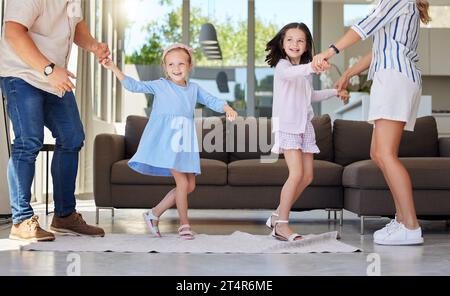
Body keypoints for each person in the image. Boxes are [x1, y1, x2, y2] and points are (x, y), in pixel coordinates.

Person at [314, 0, 431, 245]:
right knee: (378, 153)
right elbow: (378, 48)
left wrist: (328, 52)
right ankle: (401, 220)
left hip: (394, 78)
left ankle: (410, 225)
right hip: (391, 77)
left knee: (386, 154)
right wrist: (348, 73)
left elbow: (363, 27)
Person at [102, 43, 238, 239]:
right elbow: (134, 86)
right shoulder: (160, 85)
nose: (176, 68)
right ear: (165, 67)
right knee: (182, 183)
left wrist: (227, 108)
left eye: (181, 64)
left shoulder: (194, 88)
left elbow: (212, 100)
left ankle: (154, 213)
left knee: (190, 185)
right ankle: (184, 225)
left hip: (185, 141)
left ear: (190, 66)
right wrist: (113, 67)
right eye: (171, 64)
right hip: (166, 139)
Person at [0, 0, 108, 241]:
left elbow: (76, 25)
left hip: (52, 76)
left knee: (72, 137)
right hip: (22, 74)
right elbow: (13, 32)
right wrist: (49, 69)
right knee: (29, 140)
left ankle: (64, 215)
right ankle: (22, 220)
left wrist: (94, 46)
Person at [265, 23, 349, 241]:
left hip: (304, 126)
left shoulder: (304, 70)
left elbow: (310, 95)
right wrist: (314, 66)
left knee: (308, 176)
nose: (295, 44)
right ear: (282, 44)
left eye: (300, 40)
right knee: (296, 174)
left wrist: (335, 91)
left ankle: (276, 216)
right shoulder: (282, 66)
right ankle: (282, 225)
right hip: (288, 126)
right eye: (290, 39)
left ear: (306, 45)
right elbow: (293, 73)